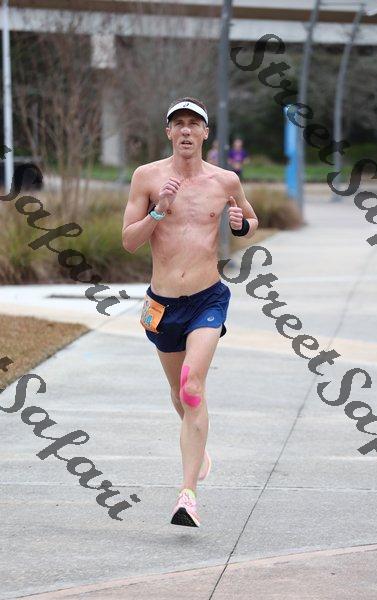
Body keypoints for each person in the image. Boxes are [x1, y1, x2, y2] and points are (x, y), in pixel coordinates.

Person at [122, 97, 258, 528]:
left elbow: (249, 222)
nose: (185, 130)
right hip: (162, 304)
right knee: (179, 394)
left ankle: (188, 496)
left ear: (205, 133)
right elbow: (129, 241)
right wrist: (158, 210)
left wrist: (239, 224)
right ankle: (198, 446)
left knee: (192, 385)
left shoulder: (225, 180)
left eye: (193, 124)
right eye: (178, 123)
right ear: (168, 132)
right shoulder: (146, 177)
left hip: (207, 298)